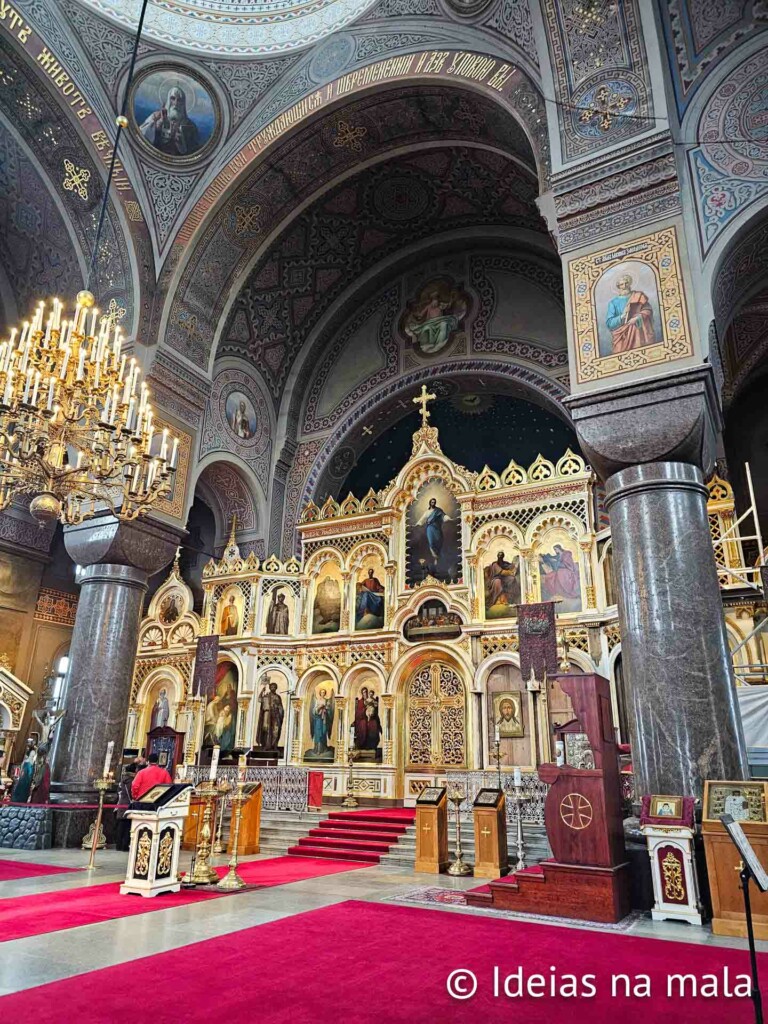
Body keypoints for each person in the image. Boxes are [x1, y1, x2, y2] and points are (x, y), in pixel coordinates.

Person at [139, 86, 199, 157]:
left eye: (179, 100)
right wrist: (156, 126)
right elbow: (141, 136)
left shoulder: (191, 126)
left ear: (183, 103)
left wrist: (181, 142)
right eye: (173, 98)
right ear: (168, 99)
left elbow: (194, 152)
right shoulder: (156, 116)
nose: (176, 103)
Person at [605, 273, 656, 353]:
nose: (624, 286)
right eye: (621, 284)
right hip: (621, 335)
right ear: (618, 286)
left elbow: (648, 310)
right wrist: (622, 316)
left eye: (626, 283)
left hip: (638, 330)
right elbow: (609, 323)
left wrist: (637, 318)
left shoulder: (638, 296)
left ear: (630, 283)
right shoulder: (613, 303)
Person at [415, 496, 451, 564]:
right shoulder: (427, 512)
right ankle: (435, 557)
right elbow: (422, 519)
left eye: (434, 502)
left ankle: (438, 557)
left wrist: (448, 518)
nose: (433, 503)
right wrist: (418, 524)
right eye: (432, 502)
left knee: (439, 541)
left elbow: (443, 516)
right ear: (430, 503)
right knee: (431, 543)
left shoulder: (438, 510)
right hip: (430, 529)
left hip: (437, 528)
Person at [115, 764, 138, 852]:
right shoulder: (131, 780)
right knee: (127, 826)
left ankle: (118, 844)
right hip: (128, 804)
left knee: (121, 825)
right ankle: (124, 845)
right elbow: (131, 792)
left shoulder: (122, 779)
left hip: (121, 803)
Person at [256, 680, 284, 750]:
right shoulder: (266, 696)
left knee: (276, 731)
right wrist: (262, 691)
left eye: (274, 687)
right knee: (266, 730)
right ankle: (266, 746)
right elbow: (259, 700)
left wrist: (279, 710)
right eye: (271, 687)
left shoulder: (278, 697)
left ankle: (274, 745)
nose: (273, 688)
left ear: (276, 688)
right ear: (270, 688)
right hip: (268, 715)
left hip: (275, 715)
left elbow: (280, 706)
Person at [11, 738, 36, 803]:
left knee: (25, 784)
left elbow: (30, 760)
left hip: (28, 767)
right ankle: (17, 799)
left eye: (28, 743)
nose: (27, 744)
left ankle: (21, 799)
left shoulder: (33, 751)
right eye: (27, 742)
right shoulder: (28, 750)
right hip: (25, 766)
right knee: (21, 784)